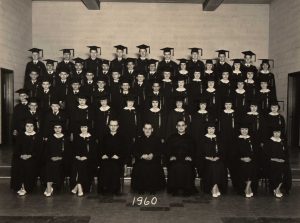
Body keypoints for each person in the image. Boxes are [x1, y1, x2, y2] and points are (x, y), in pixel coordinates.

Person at [131, 123, 166, 194]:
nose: (147, 130)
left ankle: (153, 188)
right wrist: (142, 155)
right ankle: (141, 188)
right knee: (141, 166)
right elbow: (134, 151)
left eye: (149, 128)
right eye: (146, 128)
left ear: (152, 130)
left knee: (153, 167)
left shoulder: (157, 139)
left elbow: (161, 150)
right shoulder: (138, 139)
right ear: (143, 129)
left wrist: (153, 154)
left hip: (154, 160)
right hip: (141, 160)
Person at [11, 119, 42, 196]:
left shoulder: (38, 136)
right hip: (21, 157)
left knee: (28, 165)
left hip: (33, 157)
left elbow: (39, 150)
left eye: (31, 126)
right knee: (18, 164)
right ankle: (20, 186)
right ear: (24, 127)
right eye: (27, 126)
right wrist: (21, 155)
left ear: (34, 127)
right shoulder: (20, 136)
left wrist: (30, 155)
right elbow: (16, 149)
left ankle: (25, 188)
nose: (29, 128)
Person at [166, 120, 196, 196]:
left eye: (183, 125)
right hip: (175, 158)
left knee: (187, 166)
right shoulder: (171, 137)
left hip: (186, 158)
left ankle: (187, 189)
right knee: (174, 165)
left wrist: (190, 156)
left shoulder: (190, 138)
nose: (181, 127)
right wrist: (171, 156)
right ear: (176, 127)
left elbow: (193, 149)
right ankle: (174, 189)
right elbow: (167, 149)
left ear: (186, 126)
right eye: (179, 125)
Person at [97, 120, 124, 195]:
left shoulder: (122, 137)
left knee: (114, 166)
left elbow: (125, 150)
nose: (113, 127)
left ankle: (115, 189)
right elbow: (100, 148)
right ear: (109, 126)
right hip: (105, 158)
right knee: (105, 167)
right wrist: (102, 155)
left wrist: (118, 156)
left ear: (118, 126)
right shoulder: (104, 136)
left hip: (117, 159)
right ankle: (104, 188)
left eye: (115, 125)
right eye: (111, 125)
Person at [263, 127, 292, 198]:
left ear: (280, 133)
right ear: (272, 133)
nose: (277, 134)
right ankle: (276, 188)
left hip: (281, 161)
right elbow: (265, 154)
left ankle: (279, 188)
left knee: (286, 169)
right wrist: (275, 159)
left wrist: (284, 160)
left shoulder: (282, 142)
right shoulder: (268, 142)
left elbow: (286, 154)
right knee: (277, 168)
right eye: (275, 132)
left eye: (278, 132)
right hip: (271, 162)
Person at [70, 120, 97, 196]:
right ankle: (79, 187)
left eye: (85, 127)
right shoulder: (77, 137)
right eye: (82, 127)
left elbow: (94, 151)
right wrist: (77, 156)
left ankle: (77, 186)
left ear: (88, 128)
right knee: (79, 164)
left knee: (83, 165)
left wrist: (86, 157)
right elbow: (73, 150)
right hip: (78, 159)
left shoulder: (92, 138)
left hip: (90, 159)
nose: (83, 129)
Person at [201, 122, 227, 197]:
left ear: (215, 129)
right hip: (205, 160)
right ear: (206, 129)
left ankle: (214, 187)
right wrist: (207, 157)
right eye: (209, 128)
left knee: (220, 165)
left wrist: (218, 157)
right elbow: (200, 152)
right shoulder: (203, 138)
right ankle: (215, 188)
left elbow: (222, 151)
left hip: (217, 159)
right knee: (212, 165)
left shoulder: (218, 138)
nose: (211, 130)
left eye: (213, 128)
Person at [44, 121, 70, 197]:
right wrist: (51, 157)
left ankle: (48, 188)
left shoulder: (66, 138)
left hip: (63, 160)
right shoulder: (50, 138)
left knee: (57, 166)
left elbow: (68, 152)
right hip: (51, 159)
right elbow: (47, 151)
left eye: (59, 128)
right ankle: (49, 187)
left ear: (62, 128)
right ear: (53, 129)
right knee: (49, 165)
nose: (57, 129)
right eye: (55, 128)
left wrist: (60, 157)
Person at [235, 124, 258, 197]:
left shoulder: (252, 139)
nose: (244, 131)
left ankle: (247, 187)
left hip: (251, 160)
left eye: (246, 129)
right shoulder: (236, 139)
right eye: (242, 129)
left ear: (248, 130)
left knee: (253, 166)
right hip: (239, 160)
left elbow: (256, 151)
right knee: (243, 167)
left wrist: (250, 158)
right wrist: (241, 158)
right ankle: (247, 188)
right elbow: (234, 153)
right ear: (240, 130)